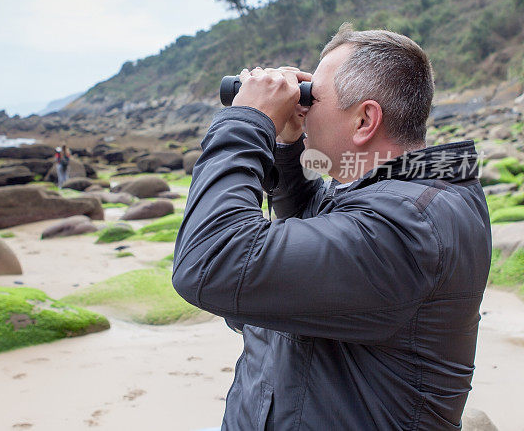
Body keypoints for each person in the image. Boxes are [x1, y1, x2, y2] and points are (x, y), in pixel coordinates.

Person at [173, 23, 491, 430]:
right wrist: (288, 146)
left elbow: (212, 262)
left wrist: (246, 120)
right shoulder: (387, 194)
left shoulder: (409, 226)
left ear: (364, 120)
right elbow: (311, 227)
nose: (301, 107)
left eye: (312, 97)